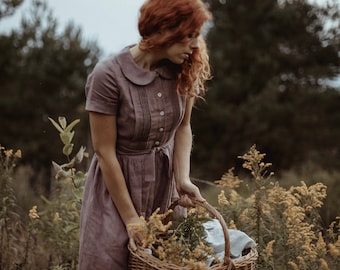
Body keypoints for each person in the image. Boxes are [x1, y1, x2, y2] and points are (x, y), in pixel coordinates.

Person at [78, 0, 212, 269]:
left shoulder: (183, 68)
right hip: (117, 189)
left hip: (163, 187)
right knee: (109, 260)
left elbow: (183, 127)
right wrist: (130, 219)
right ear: (163, 30)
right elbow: (104, 152)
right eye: (189, 36)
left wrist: (181, 178)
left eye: (196, 36)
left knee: (166, 260)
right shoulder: (108, 76)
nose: (196, 46)